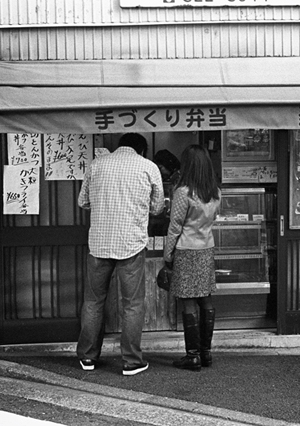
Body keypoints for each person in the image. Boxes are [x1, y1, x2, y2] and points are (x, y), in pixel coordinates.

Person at [77, 133, 165, 376]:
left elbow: (82, 201)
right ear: (142, 150)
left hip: (99, 244)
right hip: (131, 244)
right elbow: (158, 207)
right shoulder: (148, 167)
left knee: (93, 301)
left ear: (119, 146)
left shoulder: (97, 165)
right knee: (133, 304)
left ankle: (87, 357)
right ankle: (131, 361)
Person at [163, 144, 221, 371]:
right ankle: (206, 353)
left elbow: (174, 227)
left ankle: (192, 355)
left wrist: (168, 255)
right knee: (205, 299)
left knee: (188, 302)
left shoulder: (183, 192)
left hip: (186, 250)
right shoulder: (215, 192)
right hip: (206, 248)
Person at [149, 149, 181, 236]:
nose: (159, 171)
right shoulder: (173, 178)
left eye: (160, 168)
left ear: (168, 165)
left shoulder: (177, 178)